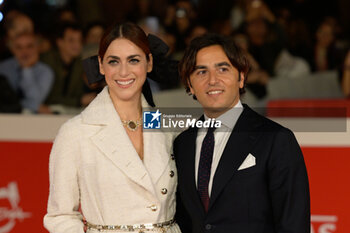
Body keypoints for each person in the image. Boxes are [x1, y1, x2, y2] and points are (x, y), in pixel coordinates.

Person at [43, 22, 181, 233]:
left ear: (149, 63)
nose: (123, 71)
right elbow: (61, 216)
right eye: (113, 61)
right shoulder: (76, 132)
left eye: (133, 60)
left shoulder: (167, 127)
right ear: (101, 65)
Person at [174, 34, 310, 233]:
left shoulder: (276, 139)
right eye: (201, 72)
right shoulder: (182, 144)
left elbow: (293, 224)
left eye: (223, 69)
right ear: (190, 84)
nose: (213, 80)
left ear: (241, 77)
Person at [0, 32, 54, 113]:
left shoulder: (45, 71)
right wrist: (34, 106)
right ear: (12, 49)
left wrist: (26, 69)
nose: (24, 51)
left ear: (37, 47)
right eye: (19, 47)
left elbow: (36, 99)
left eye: (29, 46)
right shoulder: (3, 68)